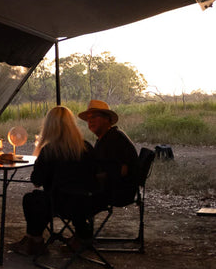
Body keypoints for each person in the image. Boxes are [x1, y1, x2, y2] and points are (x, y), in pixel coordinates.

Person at [10, 105, 96, 256]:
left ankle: (35, 240)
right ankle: (79, 236)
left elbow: (36, 181)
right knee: (39, 198)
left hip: (60, 204)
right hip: (86, 204)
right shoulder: (86, 147)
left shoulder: (50, 150)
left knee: (32, 199)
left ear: (49, 126)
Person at [78, 100, 139, 206]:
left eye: (94, 116)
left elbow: (122, 171)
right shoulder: (106, 138)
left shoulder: (115, 139)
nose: (90, 121)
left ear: (107, 119)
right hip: (112, 189)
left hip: (119, 192)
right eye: (88, 118)